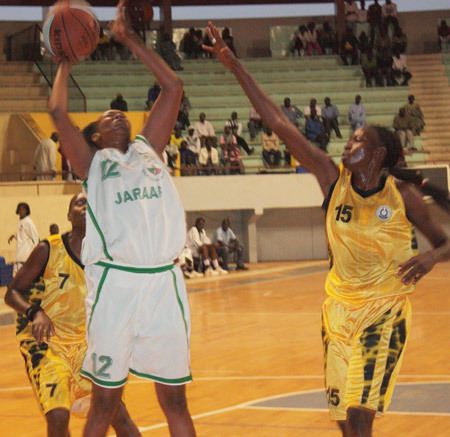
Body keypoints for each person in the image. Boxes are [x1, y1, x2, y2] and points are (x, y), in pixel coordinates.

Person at [203, 22, 450, 436]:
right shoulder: (331, 180)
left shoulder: (403, 196)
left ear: (379, 153)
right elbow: (280, 124)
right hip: (337, 312)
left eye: (357, 141)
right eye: (349, 140)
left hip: (384, 312)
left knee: (358, 416)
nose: (347, 146)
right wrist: (234, 65)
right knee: (344, 423)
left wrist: (430, 257)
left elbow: (446, 244)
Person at [48, 3, 196, 436]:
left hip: (164, 283)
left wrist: (127, 38)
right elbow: (58, 112)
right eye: (108, 116)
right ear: (94, 136)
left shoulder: (150, 149)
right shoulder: (92, 164)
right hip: (116, 286)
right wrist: (64, 61)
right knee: (105, 403)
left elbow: (172, 87)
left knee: (175, 399)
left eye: (121, 113)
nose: (118, 113)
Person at [4, 193, 140, 437]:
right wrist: (35, 312)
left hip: (86, 346)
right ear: (68, 215)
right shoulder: (48, 249)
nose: (86, 206)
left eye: (91, 203)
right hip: (47, 343)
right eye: (79, 202)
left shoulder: (109, 257)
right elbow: (12, 292)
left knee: (117, 413)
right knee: (58, 416)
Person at [8, 202, 39, 274]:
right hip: (20, 253)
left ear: (27, 211)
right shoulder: (21, 222)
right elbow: (22, 234)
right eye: (20, 209)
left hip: (25, 254)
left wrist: (36, 253)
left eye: (23, 209)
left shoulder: (28, 222)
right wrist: (14, 235)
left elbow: (36, 237)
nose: (21, 211)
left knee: (20, 274)